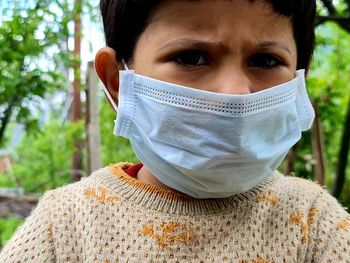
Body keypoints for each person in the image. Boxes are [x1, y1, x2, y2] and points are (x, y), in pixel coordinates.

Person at [1, 0, 350, 262]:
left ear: (298, 80)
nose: (235, 94)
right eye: (192, 58)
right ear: (117, 81)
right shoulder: (65, 226)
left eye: (266, 61)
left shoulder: (315, 224)